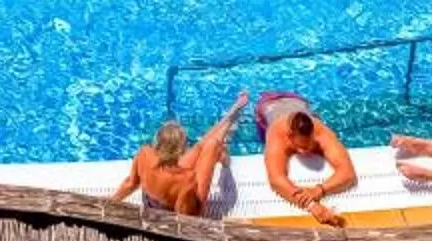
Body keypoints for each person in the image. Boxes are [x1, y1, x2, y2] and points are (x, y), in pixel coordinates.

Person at [115, 92, 248, 217]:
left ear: (157, 141)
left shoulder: (144, 154)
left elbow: (130, 184)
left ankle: (229, 118)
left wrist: (111, 202)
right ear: (181, 150)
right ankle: (226, 151)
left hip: (155, 199)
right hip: (184, 211)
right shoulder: (186, 179)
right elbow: (183, 216)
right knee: (211, 146)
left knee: (200, 147)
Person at [257, 93, 358, 226]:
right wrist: (311, 205)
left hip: (296, 99)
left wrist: (319, 190)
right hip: (268, 104)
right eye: (298, 147)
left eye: (307, 146)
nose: (302, 152)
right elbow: (276, 180)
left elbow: (348, 174)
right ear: (289, 136)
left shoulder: (321, 133)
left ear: (313, 136)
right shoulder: (277, 135)